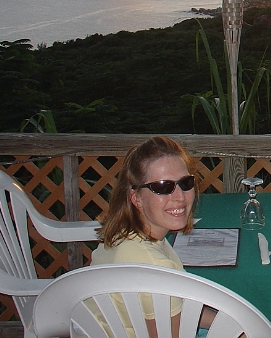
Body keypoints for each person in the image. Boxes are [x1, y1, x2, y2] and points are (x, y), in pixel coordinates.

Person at [91, 136, 214, 337]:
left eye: (185, 183)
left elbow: (180, 309)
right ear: (136, 198)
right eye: (163, 187)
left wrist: (236, 322)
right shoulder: (153, 265)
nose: (179, 196)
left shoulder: (127, 234)